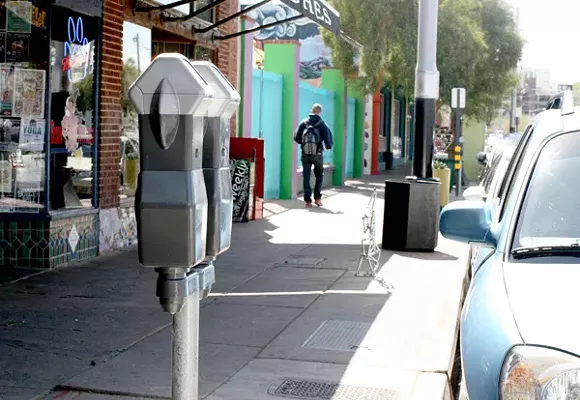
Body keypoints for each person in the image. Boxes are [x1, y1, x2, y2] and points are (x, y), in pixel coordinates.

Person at [294, 103, 333, 207]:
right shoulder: (323, 124)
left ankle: (307, 201)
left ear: (311, 110)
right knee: (319, 175)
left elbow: (297, 138)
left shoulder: (303, 123)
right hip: (318, 154)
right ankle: (317, 198)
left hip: (305, 154)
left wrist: (304, 143)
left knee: (306, 176)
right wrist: (327, 147)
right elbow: (329, 142)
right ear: (320, 112)